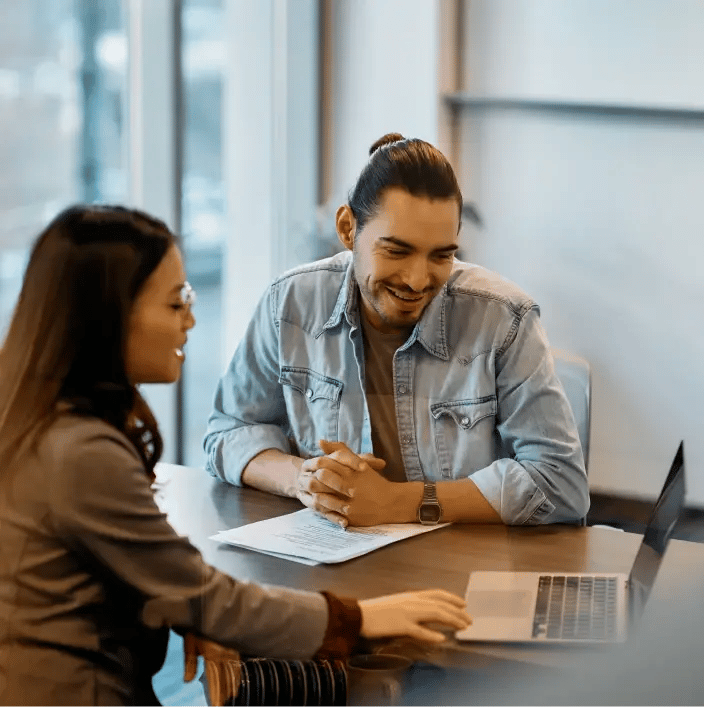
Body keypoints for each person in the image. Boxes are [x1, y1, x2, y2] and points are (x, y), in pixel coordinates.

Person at [0, 204, 472, 707]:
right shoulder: (82, 453)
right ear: (109, 314)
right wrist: (362, 619)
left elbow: (171, 588)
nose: (191, 319)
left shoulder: (41, 423)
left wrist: (192, 610)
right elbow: (203, 596)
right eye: (175, 301)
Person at [204, 132, 590, 529]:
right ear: (347, 228)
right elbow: (228, 431)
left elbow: (560, 483)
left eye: (441, 255)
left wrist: (402, 502)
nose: (417, 280)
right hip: (334, 560)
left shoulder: (505, 319)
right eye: (397, 251)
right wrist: (302, 479)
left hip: (458, 565)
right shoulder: (290, 304)